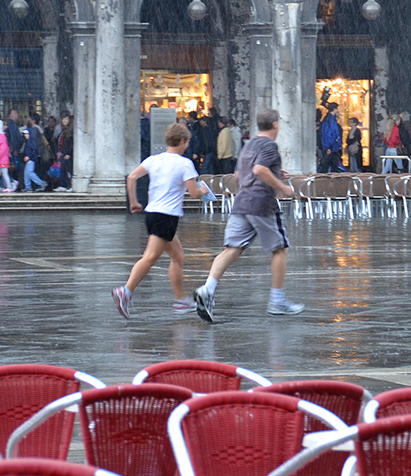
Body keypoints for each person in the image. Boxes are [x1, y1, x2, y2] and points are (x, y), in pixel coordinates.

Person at [192, 108, 302, 322]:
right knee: (280, 248)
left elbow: (238, 175)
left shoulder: (248, 145)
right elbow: (259, 170)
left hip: (242, 202)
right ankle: (277, 300)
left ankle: (208, 289)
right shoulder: (269, 145)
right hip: (262, 203)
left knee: (232, 249)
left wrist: (274, 173)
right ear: (276, 125)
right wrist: (282, 186)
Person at [113, 122, 208, 320]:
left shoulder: (154, 160)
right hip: (167, 216)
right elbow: (194, 193)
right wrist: (204, 191)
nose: (187, 145)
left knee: (178, 257)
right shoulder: (184, 164)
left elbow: (132, 177)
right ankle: (125, 291)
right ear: (182, 141)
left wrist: (134, 202)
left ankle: (181, 300)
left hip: (153, 213)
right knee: (150, 257)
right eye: (187, 142)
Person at [20, 127, 46, 191]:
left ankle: (41, 183)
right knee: (26, 173)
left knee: (29, 172)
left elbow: (34, 151)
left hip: (31, 160)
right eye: (25, 134)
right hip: (29, 159)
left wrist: (28, 156)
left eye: (27, 134)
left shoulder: (31, 141)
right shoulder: (28, 141)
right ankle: (28, 187)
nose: (25, 135)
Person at [319, 102, 342, 173]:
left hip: (333, 147)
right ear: (334, 109)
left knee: (331, 165)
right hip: (332, 147)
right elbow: (328, 134)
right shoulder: (329, 120)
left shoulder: (330, 119)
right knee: (330, 166)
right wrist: (328, 147)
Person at [54, 112, 74, 190]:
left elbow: (71, 143)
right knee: (62, 169)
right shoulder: (63, 130)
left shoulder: (71, 130)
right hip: (63, 152)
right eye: (63, 119)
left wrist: (68, 153)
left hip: (68, 153)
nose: (64, 121)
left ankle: (70, 185)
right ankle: (63, 185)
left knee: (69, 170)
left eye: (66, 119)